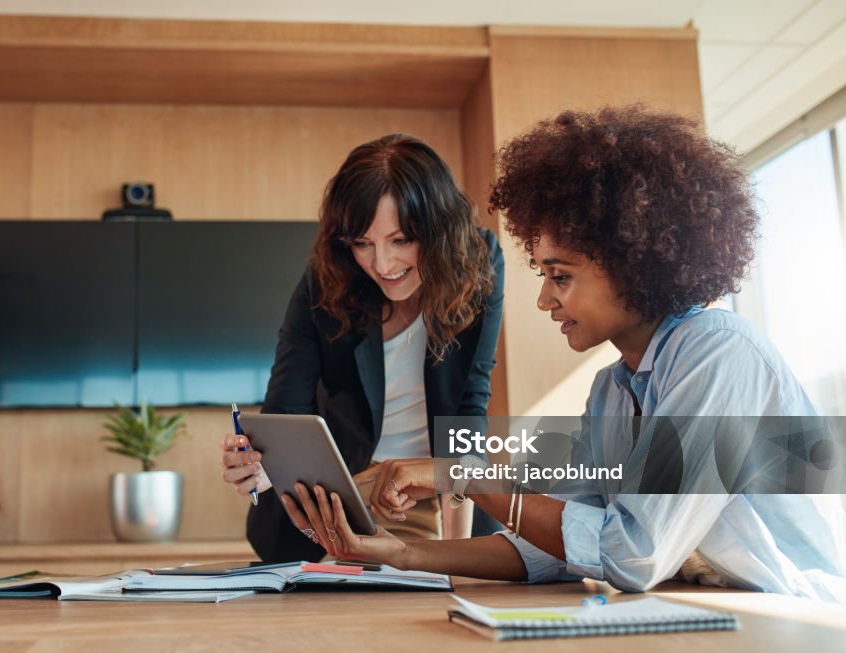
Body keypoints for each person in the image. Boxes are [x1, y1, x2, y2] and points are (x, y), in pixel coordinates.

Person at [281, 106, 846, 601]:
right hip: (703, 611)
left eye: (561, 276)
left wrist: (462, 474)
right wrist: (400, 555)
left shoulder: (720, 356)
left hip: (790, 616)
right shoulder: (613, 392)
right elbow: (554, 550)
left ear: (633, 263)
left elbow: (633, 553)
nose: (544, 297)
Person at [219, 133, 505, 562]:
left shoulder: (478, 263)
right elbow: (286, 411)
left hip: (440, 499)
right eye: (362, 244)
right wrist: (259, 466)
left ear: (440, 230)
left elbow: (468, 406)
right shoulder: (326, 278)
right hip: (336, 506)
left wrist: (457, 555)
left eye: (401, 240)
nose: (383, 265)